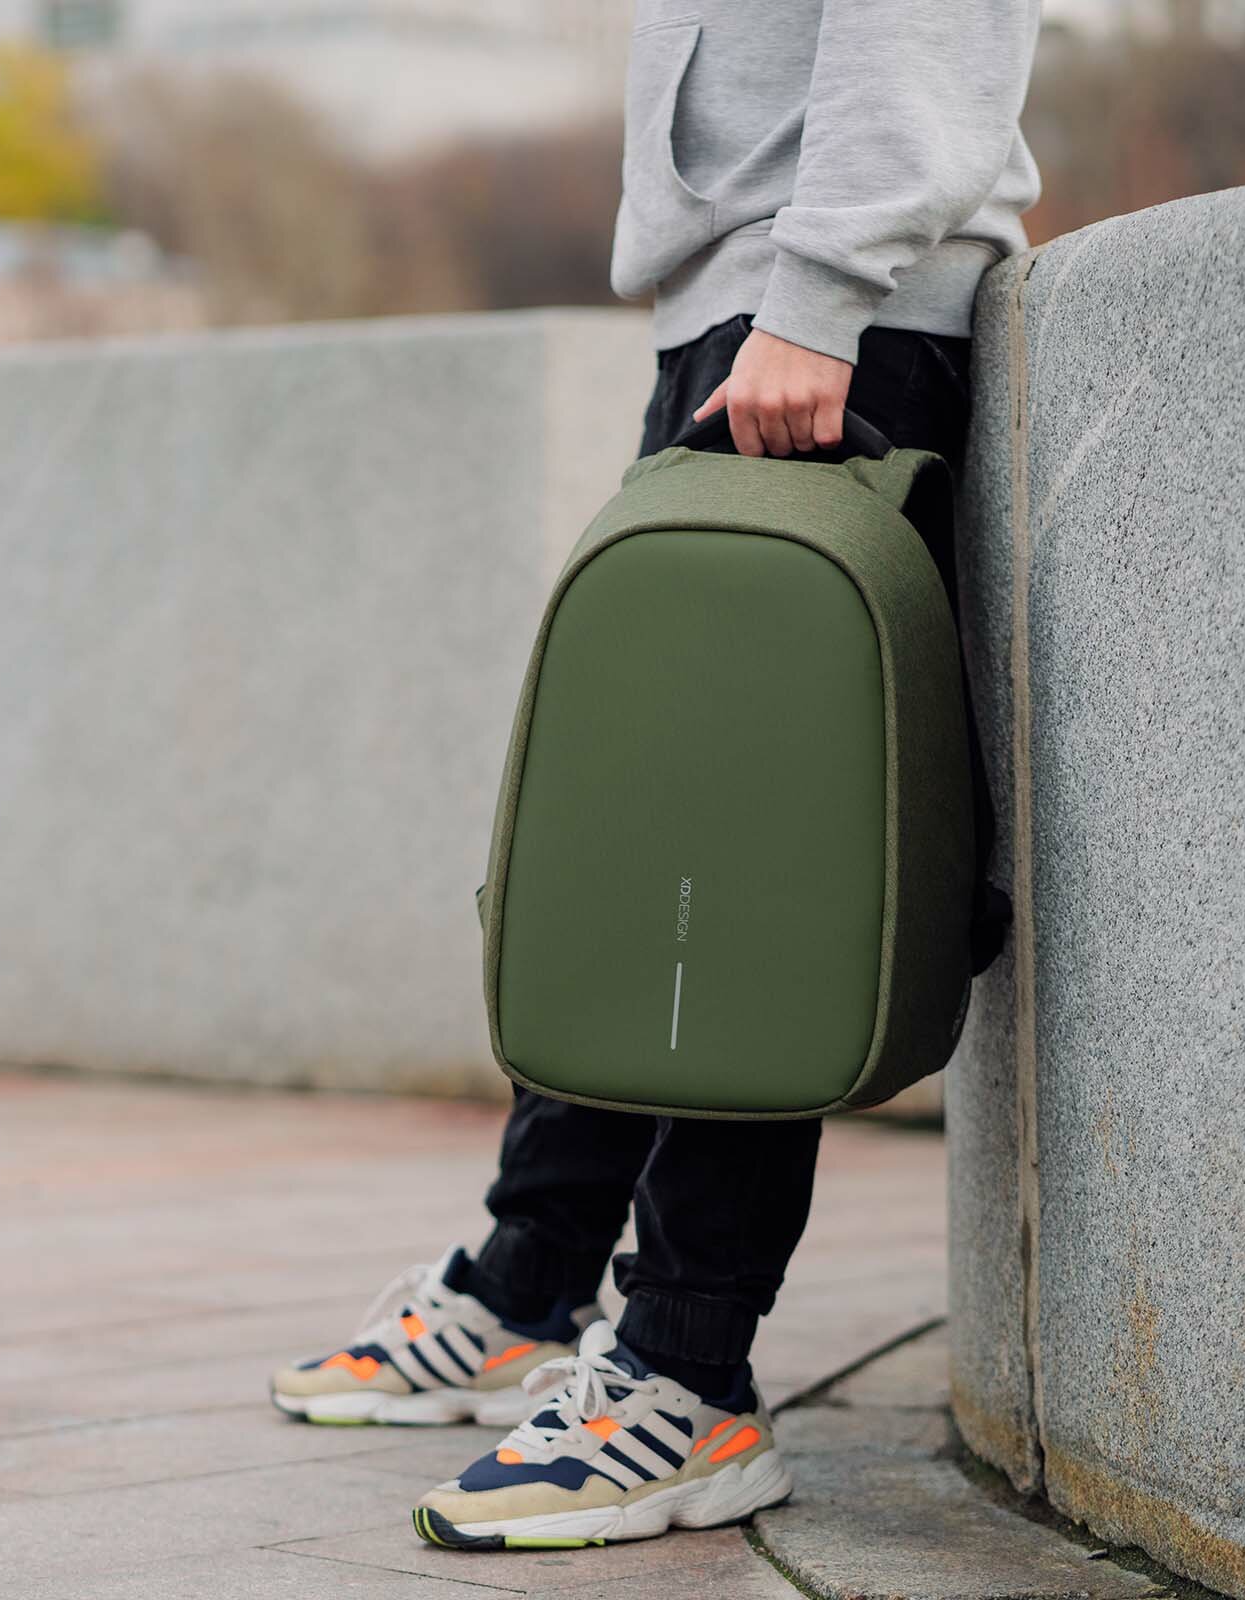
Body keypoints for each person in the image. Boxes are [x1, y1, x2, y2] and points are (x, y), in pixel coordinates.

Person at [271, 0, 1041, 1553]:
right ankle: (529, 1281)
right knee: (638, 841)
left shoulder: (824, 303)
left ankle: (688, 1378)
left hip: (835, 320)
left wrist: (821, 296)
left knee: (746, 882)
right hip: (743, 308)